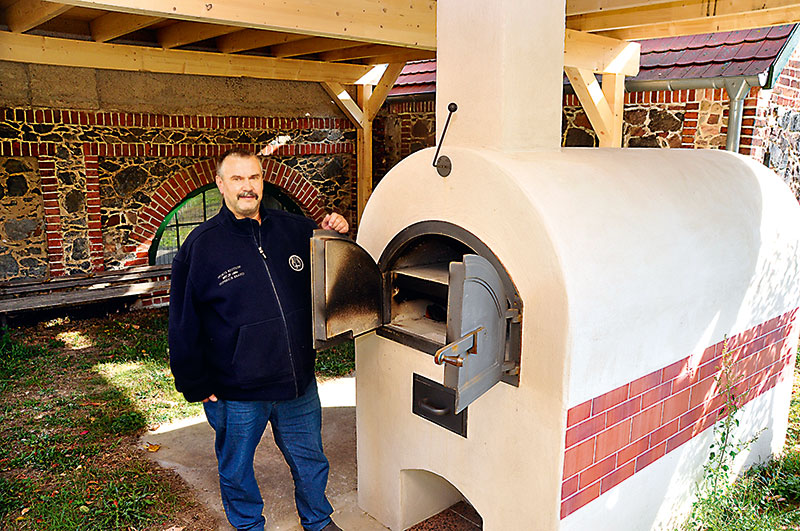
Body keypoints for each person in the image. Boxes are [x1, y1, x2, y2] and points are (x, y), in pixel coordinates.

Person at [168, 148, 348, 531]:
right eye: (237, 179)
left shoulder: (295, 229)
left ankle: (318, 520)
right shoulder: (200, 246)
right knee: (236, 467)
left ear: (262, 181)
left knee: (311, 459)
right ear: (220, 184)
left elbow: (334, 270)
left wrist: (338, 233)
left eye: (254, 177)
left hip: (296, 380)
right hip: (235, 387)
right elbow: (183, 323)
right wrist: (195, 382)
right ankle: (249, 525)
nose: (247, 187)